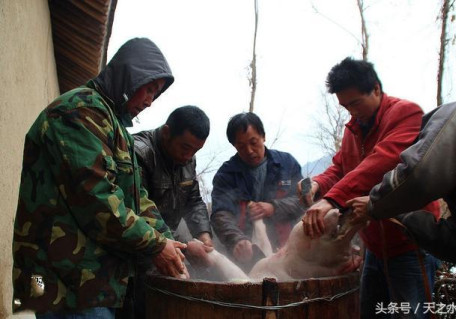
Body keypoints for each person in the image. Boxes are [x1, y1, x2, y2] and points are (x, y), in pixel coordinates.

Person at [12, 38, 187, 318]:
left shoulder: (112, 124)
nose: (150, 102)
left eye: (156, 95)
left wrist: (169, 241)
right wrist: (155, 244)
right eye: (150, 89)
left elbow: (135, 196)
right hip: (60, 284)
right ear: (132, 76)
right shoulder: (79, 112)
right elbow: (98, 199)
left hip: (87, 283)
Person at [298, 57, 440, 318]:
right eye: (344, 106)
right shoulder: (353, 129)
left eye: (355, 103)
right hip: (375, 248)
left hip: (408, 242)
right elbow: (341, 168)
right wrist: (318, 184)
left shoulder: (406, 114)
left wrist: (331, 200)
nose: (351, 111)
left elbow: (381, 161)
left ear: (375, 89)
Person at [347, 100, 456, 316]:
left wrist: (374, 205)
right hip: (378, 251)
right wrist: (401, 215)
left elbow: (419, 175)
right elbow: (455, 244)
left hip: (406, 254)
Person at [120, 105, 213, 319]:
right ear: (166, 132)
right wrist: (176, 246)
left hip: (167, 244)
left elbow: (194, 200)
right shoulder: (138, 152)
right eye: (185, 148)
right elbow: (136, 208)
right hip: (136, 252)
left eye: (195, 151)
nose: (188, 156)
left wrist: (203, 237)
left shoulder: (188, 158)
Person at [211, 112, 304, 272]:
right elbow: (221, 214)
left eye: (253, 142)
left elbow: (302, 201)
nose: (249, 150)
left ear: (263, 136)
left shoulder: (286, 164)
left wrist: (273, 207)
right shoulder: (226, 174)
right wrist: (237, 240)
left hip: (287, 250)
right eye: (241, 146)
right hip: (246, 257)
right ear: (234, 146)